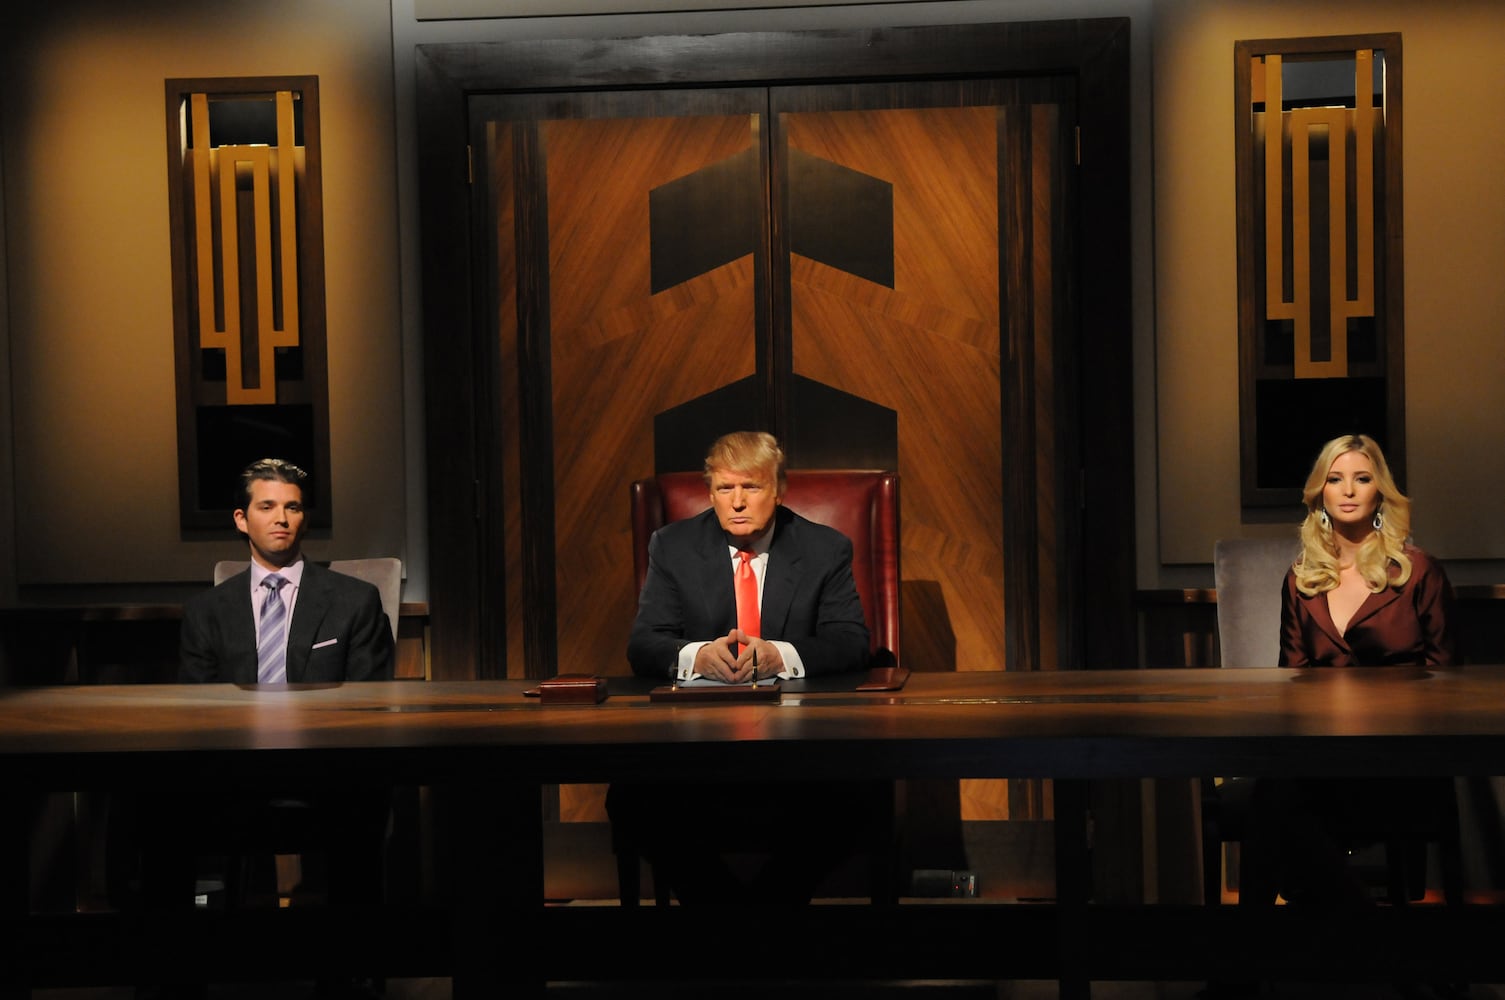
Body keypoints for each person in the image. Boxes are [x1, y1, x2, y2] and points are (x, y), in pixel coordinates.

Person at [611, 431, 881, 903]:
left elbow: (851, 642)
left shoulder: (825, 548)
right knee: (632, 799)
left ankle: (756, 915)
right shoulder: (672, 546)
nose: (736, 502)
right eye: (724, 488)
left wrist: (782, 655)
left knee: (854, 795)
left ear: (779, 490)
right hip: (698, 743)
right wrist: (695, 655)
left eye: (751, 487)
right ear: (711, 492)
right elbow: (644, 644)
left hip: (800, 742)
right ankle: (731, 913)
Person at [1244, 433, 1457, 909]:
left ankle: (1283, 938)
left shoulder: (1419, 572)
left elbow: (1448, 680)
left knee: (1277, 805)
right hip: (1323, 755)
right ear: (1320, 492)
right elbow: (1292, 682)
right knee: (1274, 793)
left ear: (1380, 493)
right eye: (1335, 479)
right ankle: (1353, 922)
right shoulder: (1301, 579)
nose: (1347, 490)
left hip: (1400, 757)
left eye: (1362, 479)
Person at [180, 458, 394, 683]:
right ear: (241, 520)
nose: (281, 519)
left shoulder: (356, 602)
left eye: (292, 508)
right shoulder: (203, 612)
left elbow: (370, 695)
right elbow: (198, 699)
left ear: (305, 520)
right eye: (267, 507)